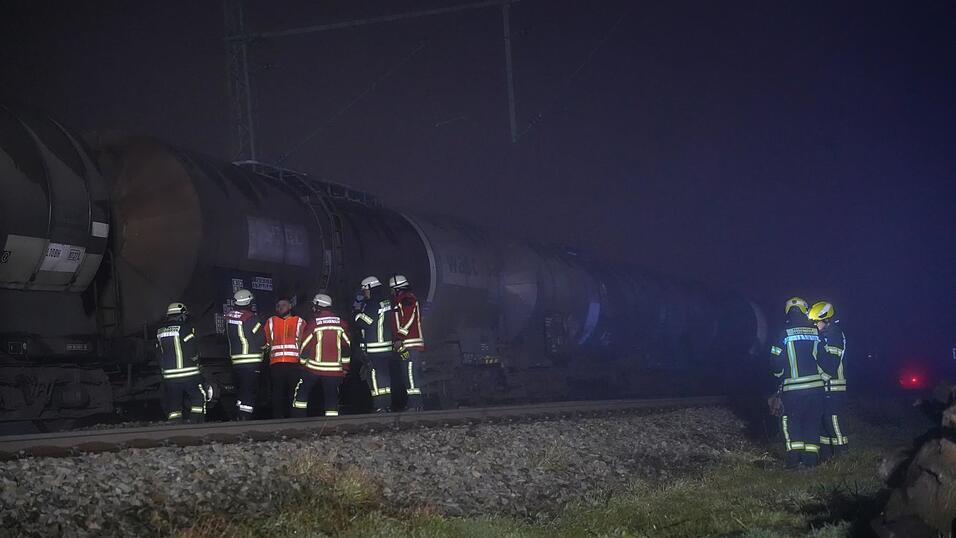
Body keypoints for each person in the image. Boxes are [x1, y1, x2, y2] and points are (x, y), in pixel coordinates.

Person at [770, 296, 826, 468]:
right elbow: (825, 359)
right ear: (805, 310)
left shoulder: (783, 333)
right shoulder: (816, 333)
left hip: (793, 390)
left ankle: (794, 462)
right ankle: (811, 462)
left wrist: (779, 375)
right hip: (816, 389)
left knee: (791, 423)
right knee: (812, 423)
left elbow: (775, 361)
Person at [292, 294, 351, 417]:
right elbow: (346, 347)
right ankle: (331, 424)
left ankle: (298, 418)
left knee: (302, 392)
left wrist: (302, 364)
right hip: (334, 370)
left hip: (313, 368)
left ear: (318, 307)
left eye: (314, 306)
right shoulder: (341, 323)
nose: (313, 309)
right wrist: (345, 368)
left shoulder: (314, 324)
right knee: (332, 397)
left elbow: (305, 345)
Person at [808, 300, 849, 458]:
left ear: (826, 319)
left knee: (834, 421)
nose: (814, 325)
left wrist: (820, 379)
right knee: (825, 423)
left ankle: (842, 455)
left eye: (816, 322)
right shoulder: (825, 335)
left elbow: (831, 365)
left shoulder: (834, 335)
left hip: (834, 387)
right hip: (826, 387)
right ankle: (826, 457)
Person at [353, 276, 398, 412]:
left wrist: (357, 313)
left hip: (374, 348)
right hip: (385, 347)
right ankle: (386, 404)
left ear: (371, 288)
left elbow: (364, 322)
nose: (364, 293)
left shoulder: (372, 303)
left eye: (365, 290)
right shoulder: (385, 301)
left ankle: (379, 406)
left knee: (374, 377)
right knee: (384, 378)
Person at [156, 302, 206, 423]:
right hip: (188, 373)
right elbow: (192, 348)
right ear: (181, 315)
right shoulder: (185, 329)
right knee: (198, 398)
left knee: (174, 404)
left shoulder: (160, 331)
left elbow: (158, 352)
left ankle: (175, 426)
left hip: (170, 376)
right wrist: (196, 362)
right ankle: (195, 423)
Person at [224, 289, 266, 420]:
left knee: (241, 390)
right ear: (248, 302)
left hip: (236, 361)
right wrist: (266, 348)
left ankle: (238, 414)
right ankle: (245, 419)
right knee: (249, 391)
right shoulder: (252, 319)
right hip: (251, 361)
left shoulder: (229, 319)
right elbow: (261, 341)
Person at [390, 274, 426, 411]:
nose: (392, 292)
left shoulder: (407, 299)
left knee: (411, 374)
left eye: (393, 289)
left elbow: (409, 318)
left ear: (398, 288)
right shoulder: (400, 300)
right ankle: (413, 404)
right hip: (404, 347)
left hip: (410, 345)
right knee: (407, 373)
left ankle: (416, 405)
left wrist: (400, 337)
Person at [264, 297, 305, 418]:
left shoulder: (299, 321)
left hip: (294, 363)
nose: (281, 307)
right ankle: (278, 419)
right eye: (278, 305)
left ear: (290, 306)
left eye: (284, 305)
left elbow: (305, 341)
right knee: (277, 393)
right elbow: (266, 340)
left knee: (293, 392)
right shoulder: (271, 321)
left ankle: (294, 418)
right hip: (276, 364)